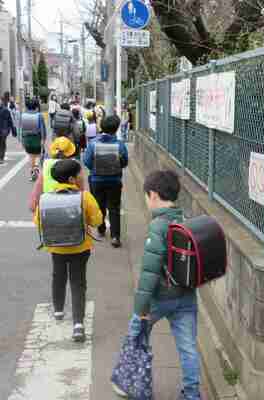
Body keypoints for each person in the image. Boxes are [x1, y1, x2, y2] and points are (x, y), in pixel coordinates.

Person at [118, 170, 202, 400]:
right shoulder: (186, 220)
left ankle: (136, 387)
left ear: (153, 195)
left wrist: (141, 308)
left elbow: (149, 271)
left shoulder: (159, 225)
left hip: (160, 297)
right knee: (188, 348)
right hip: (186, 296)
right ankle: (192, 394)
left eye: (146, 197)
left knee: (137, 336)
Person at [33, 159, 103, 342]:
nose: (82, 176)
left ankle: (58, 310)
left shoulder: (46, 198)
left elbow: (38, 222)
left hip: (56, 247)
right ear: (72, 179)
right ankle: (78, 324)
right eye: (80, 173)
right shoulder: (84, 197)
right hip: (80, 247)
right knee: (78, 282)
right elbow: (97, 220)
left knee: (58, 276)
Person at [84, 115, 128, 248]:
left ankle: (101, 228)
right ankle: (115, 237)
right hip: (114, 180)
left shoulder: (93, 143)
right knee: (114, 208)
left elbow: (87, 162)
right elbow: (124, 163)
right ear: (116, 128)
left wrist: (96, 169)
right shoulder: (120, 145)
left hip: (96, 180)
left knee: (99, 205)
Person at [28, 136, 86, 212]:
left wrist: (35, 208)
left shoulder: (47, 166)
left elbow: (36, 197)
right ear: (71, 152)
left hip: (50, 206)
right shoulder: (76, 166)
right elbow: (82, 191)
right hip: (72, 207)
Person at [20, 98, 47, 180]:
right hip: (37, 138)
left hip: (27, 138)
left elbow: (20, 129)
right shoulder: (39, 115)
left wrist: (21, 140)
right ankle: (36, 169)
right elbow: (42, 129)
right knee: (38, 154)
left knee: (31, 155)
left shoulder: (23, 115)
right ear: (36, 106)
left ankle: (32, 172)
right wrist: (43, 139)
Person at [0, 92, 15, 165]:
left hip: (4, 130)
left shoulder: (5, 110)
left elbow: (10, 121)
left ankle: (1, 158)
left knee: (2, 143)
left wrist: (13, 130)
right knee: (2, 144)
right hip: (3, 130)